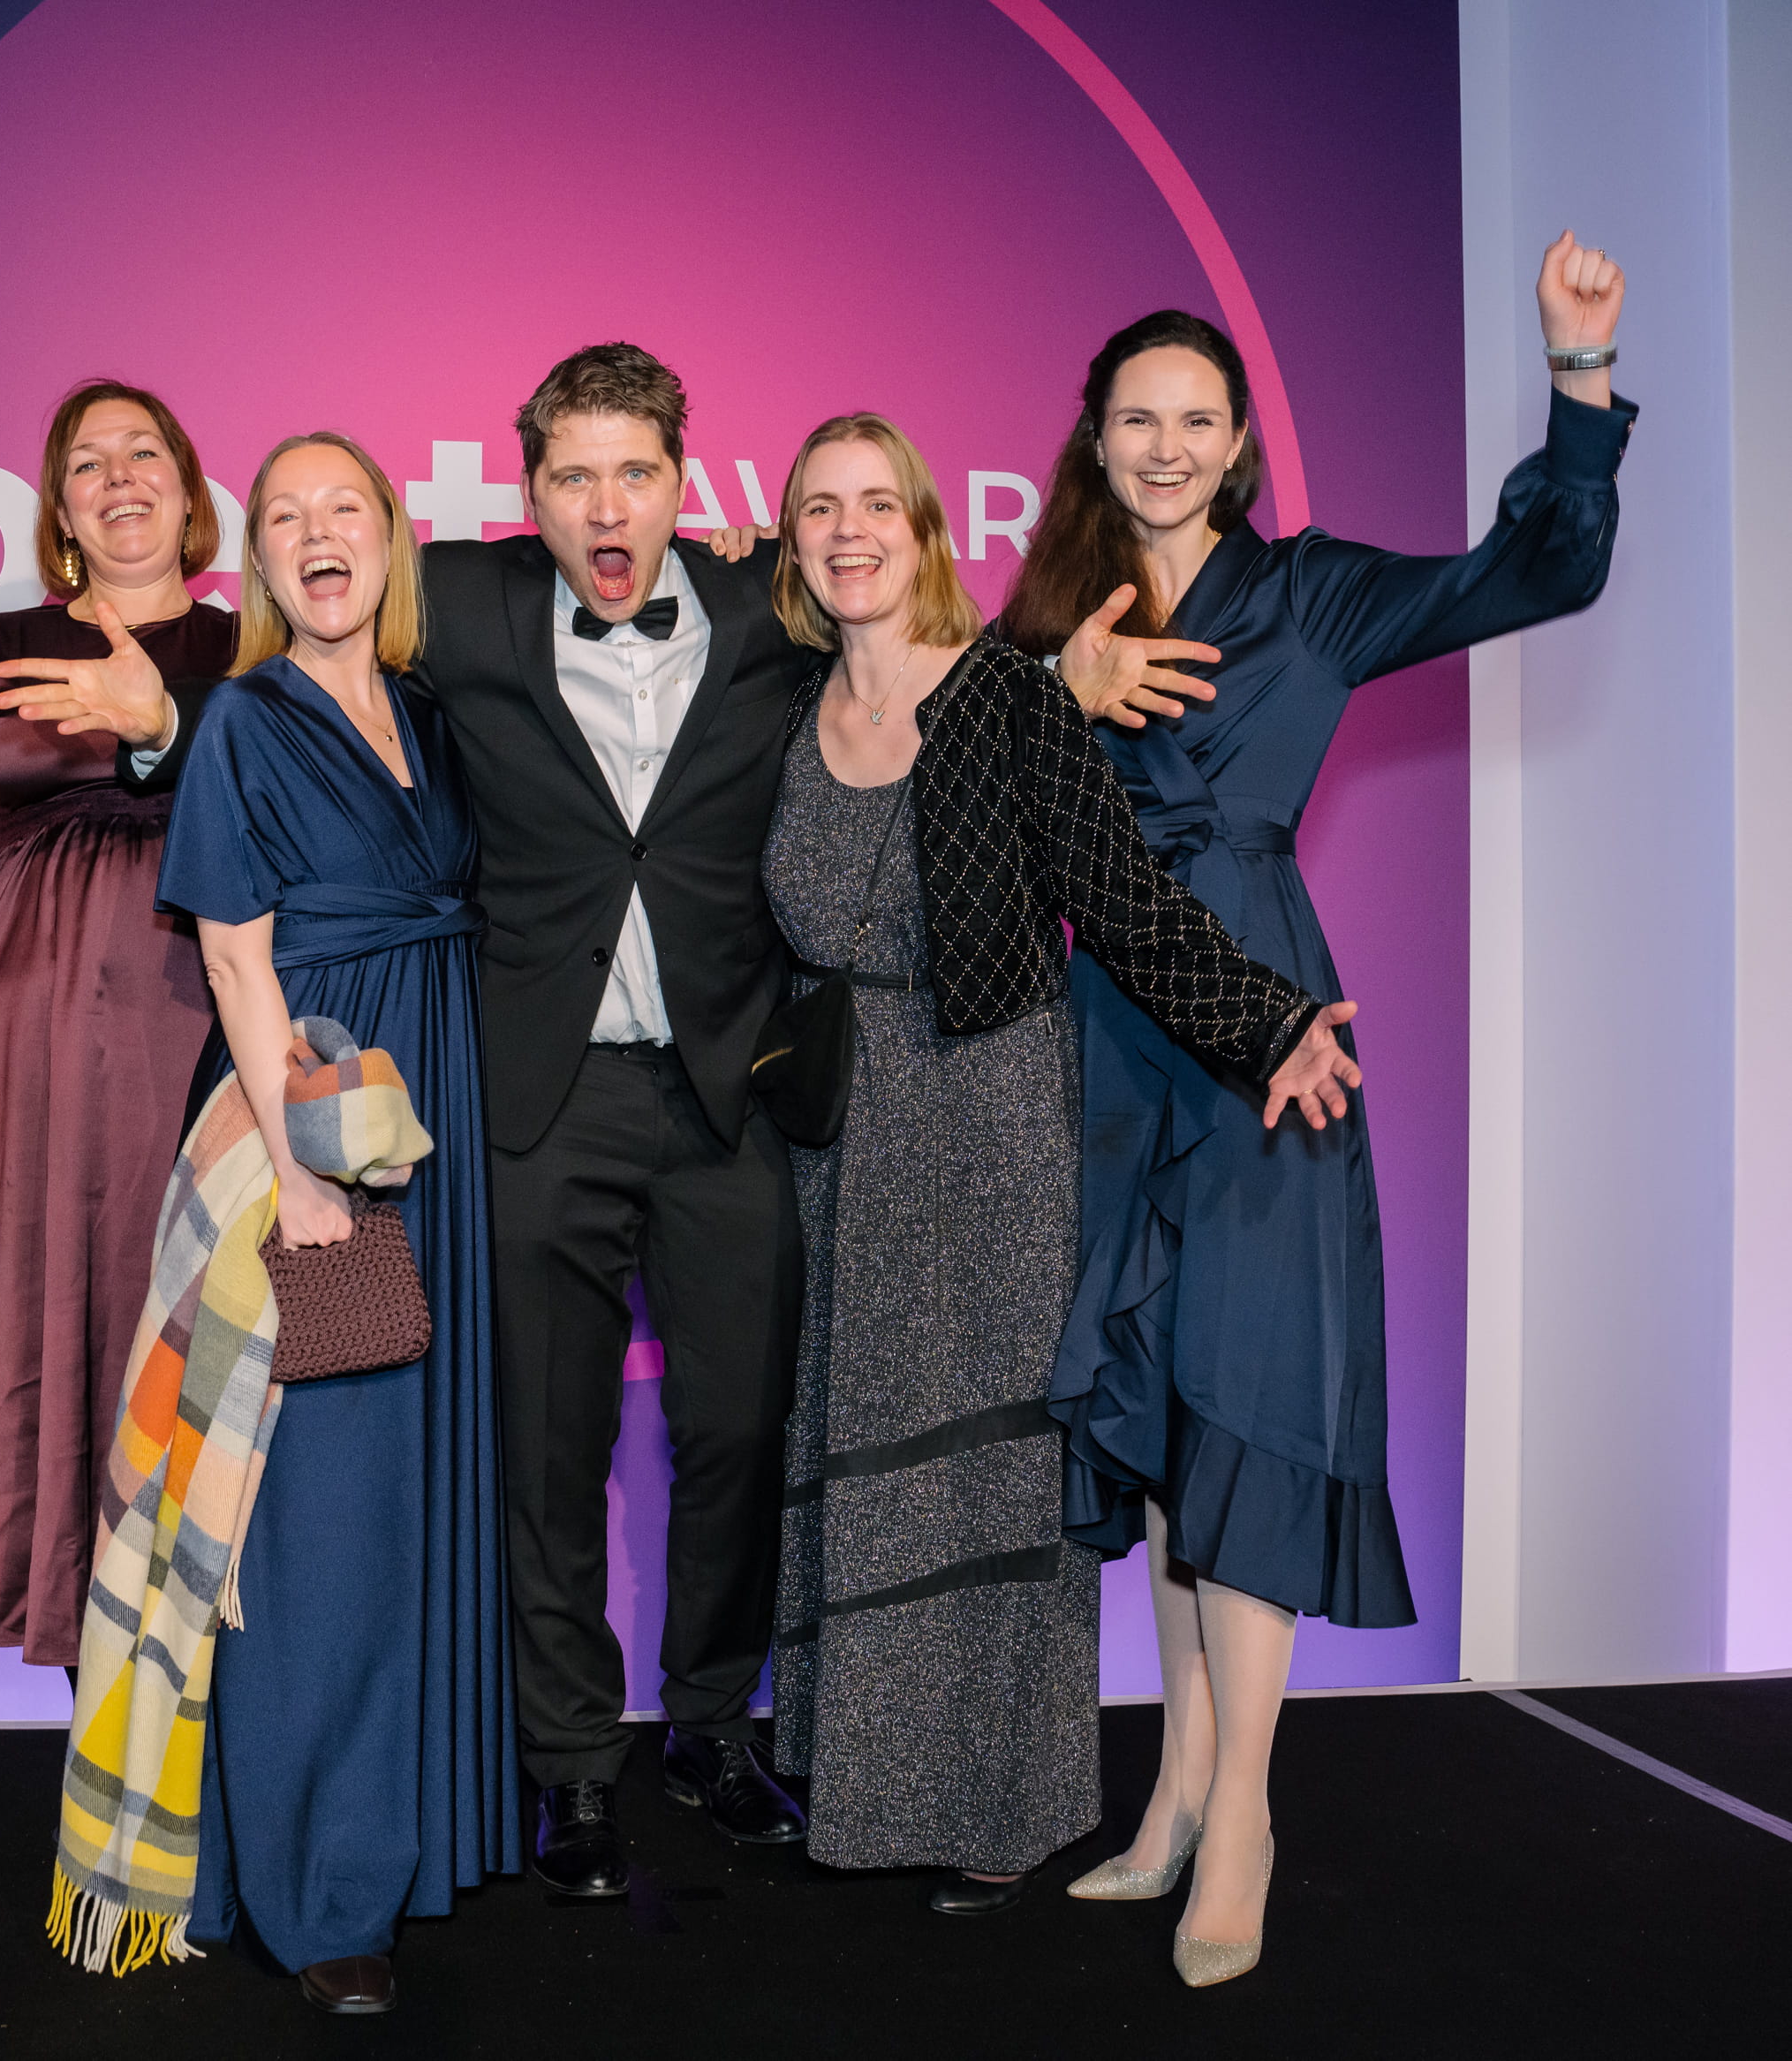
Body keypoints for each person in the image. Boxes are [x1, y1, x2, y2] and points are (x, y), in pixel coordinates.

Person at [137, 347, 1153, 1896]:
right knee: (545, 1447)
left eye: (638, 473)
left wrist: (1056, 680)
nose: (607, 506)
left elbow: (916, 643)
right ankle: (569, 1768)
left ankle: (710, 1722)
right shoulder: (458, 610)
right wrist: (149, 704)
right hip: (530, 1098)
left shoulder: (765, 610)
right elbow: (294, 636)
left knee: (739, 1429)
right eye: (573, 476)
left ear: (690, 485)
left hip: (727, 1092)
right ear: (524, 493)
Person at [1000, 239, 1629, 1985]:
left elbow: (1541, 573)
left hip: (1274, 1025)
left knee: (1255, 1410)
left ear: (1238, 443)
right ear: (1093, 438)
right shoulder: (1045, 622)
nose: (1165, 444)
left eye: (1195, 417)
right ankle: (1178, 1781)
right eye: (1135, 417)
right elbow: (960, 802)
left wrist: (1576, 381)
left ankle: (1251, 1815)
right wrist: (1048, 694)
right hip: (1110, 1035)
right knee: (1154, 1419)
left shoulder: (1319, 597)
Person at [758, 413, 1357, 1932]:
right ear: (788, 542)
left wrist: (1271, 1021)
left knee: (992, 1472)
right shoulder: (774, 706)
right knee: (863, 1453)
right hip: (847, 1139)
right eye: (819, 509)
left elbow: (1129, 903)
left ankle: (1003, 1807)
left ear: (925, 528)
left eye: (875, 504)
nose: (848, 533)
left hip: (994, 1118)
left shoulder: (1011, 703)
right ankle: (867, 1788)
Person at [148, 433, 516, 2014]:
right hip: (324, 1125)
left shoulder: (427, 714)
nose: (318, 536)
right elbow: (237, 954)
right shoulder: (242, 716)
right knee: (322, 1518)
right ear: (258, 558)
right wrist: (301, 1173)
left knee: (415, 1486)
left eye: (343, 511)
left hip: (434, 1118)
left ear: (390, 543)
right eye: (284, 517)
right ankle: (319, 1889)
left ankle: (405, 1833)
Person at [0, 382, 235, 1670]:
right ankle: (91, 1714)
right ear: (62, 513)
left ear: (191, 495)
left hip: (197, 1044)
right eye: (90, 464)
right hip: (11, 1052)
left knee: (176, 1328)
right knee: (29, 1328)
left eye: (146, 455)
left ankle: (194, 1697)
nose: (121, 478)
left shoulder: (259, 655)